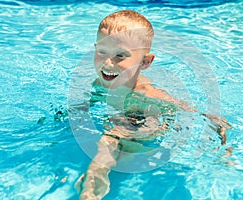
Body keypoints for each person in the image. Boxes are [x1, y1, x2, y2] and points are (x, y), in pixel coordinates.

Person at [76, 10, 231, 199]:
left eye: (120, 56)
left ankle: (92, 187)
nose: (108, 63)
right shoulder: (99, 82)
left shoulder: (147, 93)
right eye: (101, 52)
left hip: (147, 121)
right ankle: (110, 171)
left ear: (145, 61)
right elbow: (90, 100)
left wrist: (221, 137)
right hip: (125, 120)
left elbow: (190, 110)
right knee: (120, 150)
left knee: (109, 141)